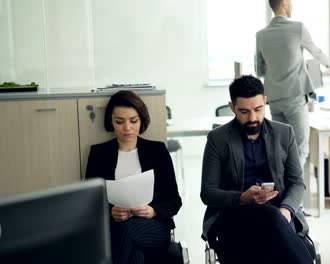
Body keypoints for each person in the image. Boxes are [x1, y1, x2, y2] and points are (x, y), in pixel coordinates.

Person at [200, 75, 314, 264]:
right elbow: (208, 192)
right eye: (244, 111)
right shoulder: (218, 139)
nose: (252, 118)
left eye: (258, 109)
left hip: (279, 213)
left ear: (265, 102)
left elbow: (296, 182)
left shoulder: (284, 133)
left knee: (271, 222)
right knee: (270, 221)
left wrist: (286, 210)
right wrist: (241, 197)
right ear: (232, 107)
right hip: (235, 215)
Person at [85, 90, 182, 264]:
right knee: (135, 255)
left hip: (154, 226)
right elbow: (89, 202)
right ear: (111, 122)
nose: (127, 128)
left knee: (127, 231)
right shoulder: (99, 154)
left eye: (133, 121)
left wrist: (153, 211)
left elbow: (174, 200)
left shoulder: (157, 151)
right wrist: (110, 211)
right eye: (119, 122)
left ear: (141, 120)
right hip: (115, 226)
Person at [255, 0, 330, 174]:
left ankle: (281, 191)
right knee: (300, 149)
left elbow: (259, 70)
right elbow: (316, 51)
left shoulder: (261, 35)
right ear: (284, 3)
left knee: (281, 149)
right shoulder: (297, 28)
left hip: (274, 100)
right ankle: (293, 196)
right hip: (294, 97)